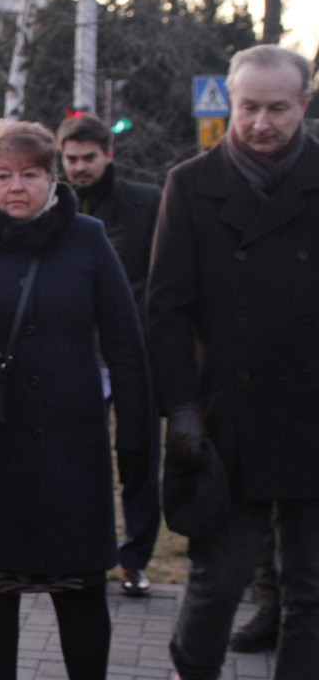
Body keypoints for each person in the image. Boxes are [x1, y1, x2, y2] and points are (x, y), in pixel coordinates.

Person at [0, 119, 153, 680]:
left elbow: (125, 343)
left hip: (72, 448)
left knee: (81, 588)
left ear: (53, 177)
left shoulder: (86, 237)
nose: (16, 186)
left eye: (31, 174)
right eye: (1, 175)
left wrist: (136, 437)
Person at [147, 44, 319, 680]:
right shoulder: (192, 185)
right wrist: (182, 408)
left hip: (313, 410)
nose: (261, 123)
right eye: (248, 107)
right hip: (228, 417)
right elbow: (167, 310)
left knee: (312, 590)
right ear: (230, 101)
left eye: (278, 108)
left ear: (304, 103)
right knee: (217, 583)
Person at [57, 113, 162, 598]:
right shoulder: (56, 207)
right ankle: (80, 551)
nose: (79, 168)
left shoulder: (146, 203)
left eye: (88, 158)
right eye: (71, 159)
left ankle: (136, 557)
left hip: (137, 350)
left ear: (108, 154)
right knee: (80, 457)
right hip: (76, 352)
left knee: (139, 454)